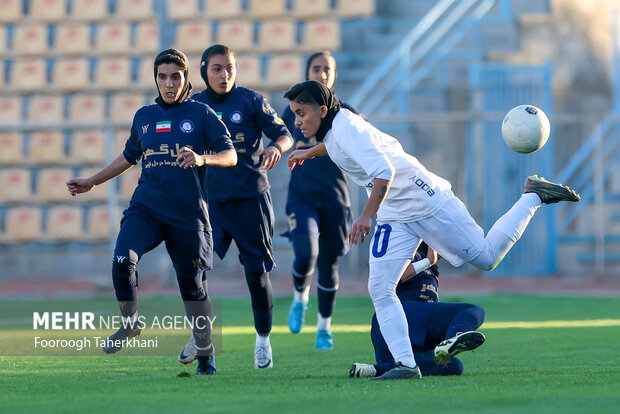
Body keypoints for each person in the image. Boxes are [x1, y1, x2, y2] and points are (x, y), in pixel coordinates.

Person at [284, 80, 580, 380]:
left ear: (322, 110)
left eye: (301, 113)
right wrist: (310, 153)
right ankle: (406, 366)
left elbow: (383, 172)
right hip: (396, 212)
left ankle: (533, 195)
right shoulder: (338, 127)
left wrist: (365, 216)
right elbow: (339, 145)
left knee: (487, 258)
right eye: (294, 113)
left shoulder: (347, 128)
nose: (296, 121)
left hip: (425, 201)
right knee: (380, 287)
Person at [66, 49, 237, 375]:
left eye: (176, 77)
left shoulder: (201, 114)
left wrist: (202, 158)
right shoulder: (144, 115)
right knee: (122, 259)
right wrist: (92, 181)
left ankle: (205, 353)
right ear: (155, 79)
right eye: (162, 77)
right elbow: (129, 155)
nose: (169, 84)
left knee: (192, 288)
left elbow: (229, 155)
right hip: (147, 207)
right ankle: (130, 323)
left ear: (187, 79)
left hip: (188, 215)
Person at [177, 44, 293, 369]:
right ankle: (201, 334)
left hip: (250, 199)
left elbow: (284, 134)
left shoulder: (251, 101)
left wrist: (276, 148)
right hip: (209, 202)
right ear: (204, 71)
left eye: (229, 67)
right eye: (217, 68)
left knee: (255, 274)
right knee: (195, 269)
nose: (224, 74)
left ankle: (263, 341)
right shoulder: (194, 106)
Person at [281, 52, 363, 350]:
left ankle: (324, 329)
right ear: (307, 73)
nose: (321, 73)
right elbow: (278, 136)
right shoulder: (292, 112)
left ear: (334, 76)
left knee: (329, 264)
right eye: (315, 68)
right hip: (301, 198)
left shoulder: (347, 114)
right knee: (307, 253)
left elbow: (364, 142)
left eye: (326, 69)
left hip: (335, 202)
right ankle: (300, 298)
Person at [349, 242, 487, 379]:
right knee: (473, 311)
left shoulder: (431, 268)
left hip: (414, 332)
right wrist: (428, 259)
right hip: (397, 319)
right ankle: (452, 339)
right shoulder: (409, 252)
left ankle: (378, 369)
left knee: (454, 366)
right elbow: (390, 280)